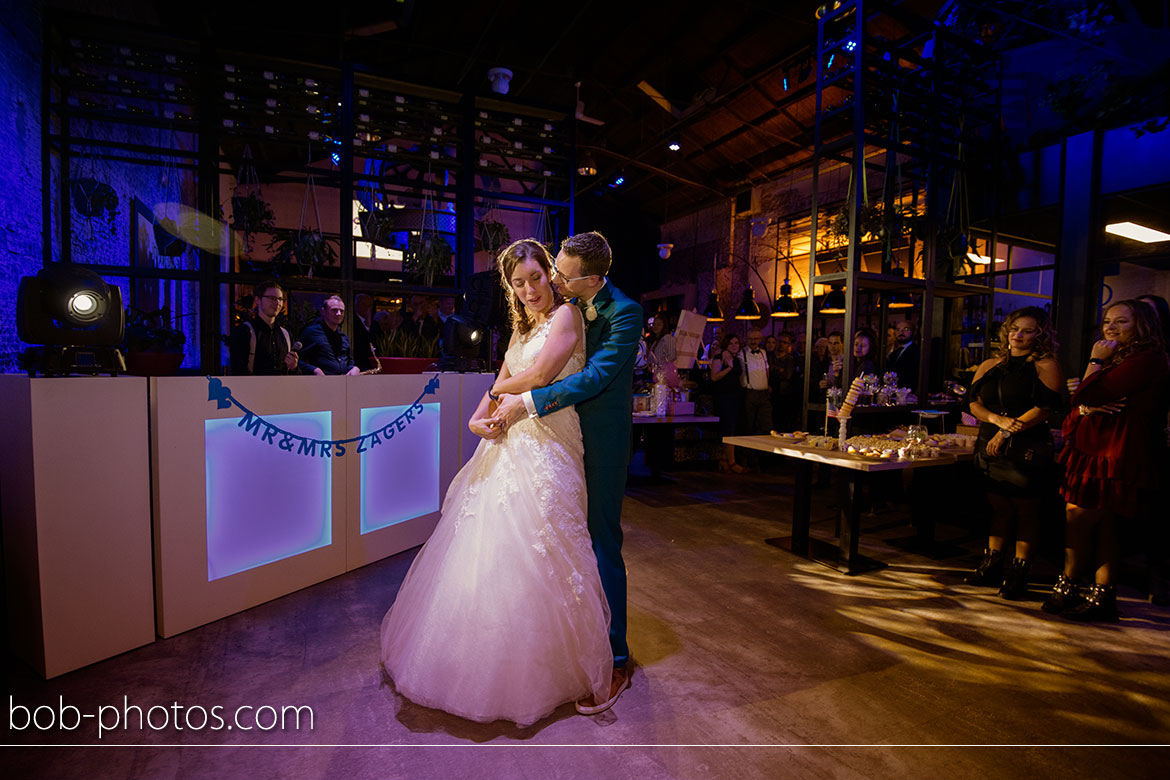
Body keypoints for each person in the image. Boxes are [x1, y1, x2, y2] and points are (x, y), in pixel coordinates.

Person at [380, 238, 611, 726]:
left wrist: (497, 390)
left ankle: (553, 664)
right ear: (509, 287)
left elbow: (542, 374)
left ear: (551, 273)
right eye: (518, 282)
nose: (530, 289)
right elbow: (504, 378)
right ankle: (478, 661)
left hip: (550, 439)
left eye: (536, 277)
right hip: (508, 440)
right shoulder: (520, 326)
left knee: (546, 545)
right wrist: (475, 419)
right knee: (491, 546)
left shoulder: (567, 317)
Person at [491, 231, 642, 715]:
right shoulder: (557, 308)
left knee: (601, 543)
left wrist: (527, 401)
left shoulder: (625, 312)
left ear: (593, 279)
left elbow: (596, 376)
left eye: (560, 273)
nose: (552, 278)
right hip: (556, 443)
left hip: (598, 442)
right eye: (551, 267)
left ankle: (616, 659)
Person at [1045, 300, 1170, 621]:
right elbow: (1083, 401)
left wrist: (1093, 363)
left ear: (1142, 326)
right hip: (1095, 446)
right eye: (1107, 321)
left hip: (1114, 450)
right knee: (1104, 524)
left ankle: (1069, 583)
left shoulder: (1147, 358)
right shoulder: (1122, 358)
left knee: (1078, 517)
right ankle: (1103, 595)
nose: (1110, 327)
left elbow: (1086, 394)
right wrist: (1087, 399)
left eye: (1122, 322)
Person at [963, 307, 1064, 599]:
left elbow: (1045, 408)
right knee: (999, 507)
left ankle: (1020, 572)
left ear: (1040, 335)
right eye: (1015, 328)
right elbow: (974, 403)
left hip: (1026, 445)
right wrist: (996, 422)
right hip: (989, 441)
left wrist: (1007, 431)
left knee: (1026, 510)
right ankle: (991, 564)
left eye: (1027, 330)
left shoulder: (1046, 365)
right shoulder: (991, 364)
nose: (1018, 335)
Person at [228, 280, 299, 375]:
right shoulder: (245, 331)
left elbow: (293, 374)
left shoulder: (286, 335)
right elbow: (238, 371)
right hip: (254, 389)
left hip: (282, 389)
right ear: (257, 300)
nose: (277, 302)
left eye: (280, 299)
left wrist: (294, 367)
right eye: (272, 298)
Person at [711, 331, 748, 473]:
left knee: (733, 428)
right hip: (724, 396)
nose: (734, 346)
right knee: (729, 429)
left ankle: (723, 459)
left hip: (735, 396)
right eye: (731, 343)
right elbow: (714, 377)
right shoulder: (720, 357)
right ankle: (732, 463)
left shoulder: (736, 358)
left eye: (736, 343)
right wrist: (729, 368)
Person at [298, 295, 361, 376]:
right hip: (320, 384)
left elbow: (349, 362)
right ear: (323, 311)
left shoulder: (344, 337)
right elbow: (297, 360)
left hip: (344, 385)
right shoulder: (311, 332)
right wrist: (314, 370)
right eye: (334, 310)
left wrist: (355, 368)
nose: (339, 314)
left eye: (341, 311)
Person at [739, 327, 772, 469]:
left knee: (766, 427)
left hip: (764, 394)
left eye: (756, 339)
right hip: (750, 394)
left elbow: (766, 370)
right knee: (748, 427)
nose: (753, 342)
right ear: (746, 339)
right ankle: (748, 460)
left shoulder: (764, 353)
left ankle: (762, 460)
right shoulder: (741, 354)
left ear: (760, 339)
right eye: (751, 339)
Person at [887, 319, 920, 390]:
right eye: (898, 329)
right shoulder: (894, 353)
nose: (901, 332)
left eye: (906, 329)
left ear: (913, 332)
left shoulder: (917, 352)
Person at [351, 293, 378, 371]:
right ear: (356, 305)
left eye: (370, 305)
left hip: (371, 364)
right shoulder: (351, 320)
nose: (367, 308)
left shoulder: (374, 323)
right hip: (357, 363)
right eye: (364, 304)